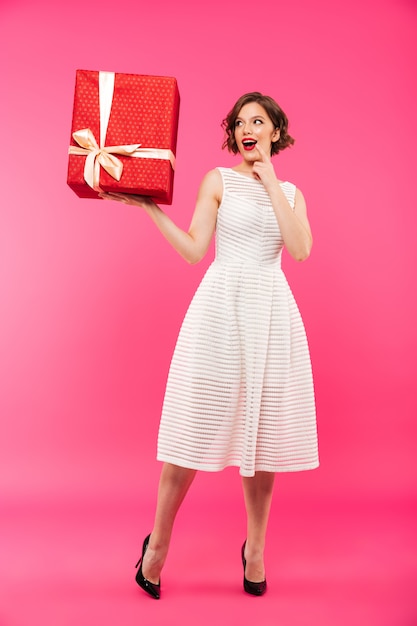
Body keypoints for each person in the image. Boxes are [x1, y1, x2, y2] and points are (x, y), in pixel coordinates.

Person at [101, 92, 319, 599]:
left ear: (275, 132)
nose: (247, 128)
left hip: (270, 314)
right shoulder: (217, 181)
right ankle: (156, 546)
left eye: (258, 121)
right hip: (219, 313)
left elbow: (301, 251)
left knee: (261, 439)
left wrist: (269, 181)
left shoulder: (289, 191)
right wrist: (149, 209)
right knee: (191, 430)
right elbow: (195, 251)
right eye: (240, 121)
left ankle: (257, 549)